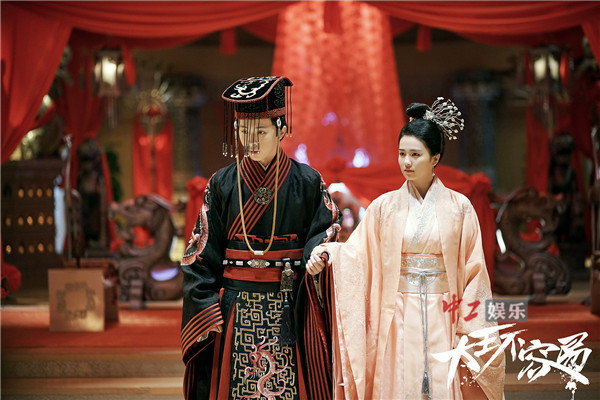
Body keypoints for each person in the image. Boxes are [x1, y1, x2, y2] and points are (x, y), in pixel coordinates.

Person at [307, 98, 506, 399]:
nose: (406, 162)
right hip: (397, 310)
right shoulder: (384, 207)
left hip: (444, 311)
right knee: (400, 380)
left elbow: (474, 271)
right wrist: (329, 254)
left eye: (415, 154)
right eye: (402, 154)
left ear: (435, 158)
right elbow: (357, 253)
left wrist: (469, 323)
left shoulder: (460, 208)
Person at [181, 76, 342, 400]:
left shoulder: (308, 181)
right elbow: (201, 249)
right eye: (243, 131)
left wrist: (318, 254)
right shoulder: (222, 183)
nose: (250, 140)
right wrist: (206, 306)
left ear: (282, 130)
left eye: (261, 132)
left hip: (290, 304)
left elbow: (325, 230)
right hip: (235, 306)